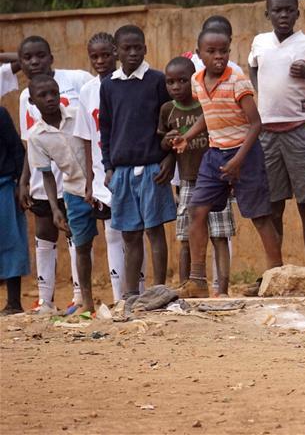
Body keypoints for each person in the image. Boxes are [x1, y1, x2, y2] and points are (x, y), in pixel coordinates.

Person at [174, 27, 284, 298]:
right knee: (196, 211)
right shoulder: (197, 81)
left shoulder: (237, 81)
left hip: (245, 154)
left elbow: (256, 124)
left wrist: (238, 159)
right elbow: (207, 115)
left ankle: (277, 277)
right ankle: (197, 280)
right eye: (211, 52)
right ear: (200, 54)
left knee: (260, 216)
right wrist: (187, 137)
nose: (218, 56)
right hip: (214, 155)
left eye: (223, 51)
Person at [248, 0, 305, 265]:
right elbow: (253, 66)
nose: (283, 15)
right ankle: (275, 269)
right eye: (277, 10)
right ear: (267, 13)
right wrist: (259, 92)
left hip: (298, 130)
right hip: (267, 133)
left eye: (288, 10)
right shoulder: (260, 42)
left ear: (297, 13)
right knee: (273, 205)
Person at [99, 25, 176, 298]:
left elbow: (170, 121)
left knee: (155, 230)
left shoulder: (156, 80)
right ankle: (131, 295)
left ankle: (159, 290)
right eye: (126, 48)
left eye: (138, 47)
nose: (132, 53)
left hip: (153, 169)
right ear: (116, 52)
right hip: (121, 172)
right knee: (130, 235)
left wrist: (170, 158)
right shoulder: (108, 85)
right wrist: (108, 166)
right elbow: (105, 128)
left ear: (146, 48)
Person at [17, 35, 92, 314]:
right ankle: (45, 299)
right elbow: (30, 140)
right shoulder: (27, 96)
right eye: (27, 57)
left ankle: (78, 296)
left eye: (40, 55)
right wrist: (24, 180)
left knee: (77, 234)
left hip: (76, 180)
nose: (34, 61)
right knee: (45, 233)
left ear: (51, 58)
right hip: (44, 177)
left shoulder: (78, 80)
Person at [159, 56, 235, 295]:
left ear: (193, 81)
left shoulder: (205, 103)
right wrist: (167, 141)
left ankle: (222, 289)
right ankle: (188, 286)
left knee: (220, 236)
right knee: (185, 238)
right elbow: (162, 144)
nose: (176, 87)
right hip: (188, 181)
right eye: (170, 82)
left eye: (182, 81)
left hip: (215, 178)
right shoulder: (167, 109)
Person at [26, 75, 99, 315]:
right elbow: (47, 174)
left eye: (53, 93)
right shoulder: (36, 135)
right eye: (43, 96)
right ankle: (86, 301)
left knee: (122, 235)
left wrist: (96, 179)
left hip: (100, 187)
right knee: (81, 245)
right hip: (73, 191)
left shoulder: (79, 114)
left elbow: (95, 144)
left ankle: (126, 295)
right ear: (32, 101)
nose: (50, 99)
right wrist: (56, 209)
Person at [73, 32, 135, 302]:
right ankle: (118, 296)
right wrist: (89, 179)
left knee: (132, 233)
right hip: (101, 175)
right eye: (94, 57)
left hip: (128, 167)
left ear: (116, 53)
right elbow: (86, 139)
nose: (100, 61)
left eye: (105, 55)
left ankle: (138, 292)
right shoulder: (87, 91)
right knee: (111, 233)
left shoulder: (128, 83)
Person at [0, 107, 28, 315]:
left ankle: (13, 303)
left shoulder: (0, 113)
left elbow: (17, 149)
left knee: (11, 242)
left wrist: (21, 184)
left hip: (4, 186)